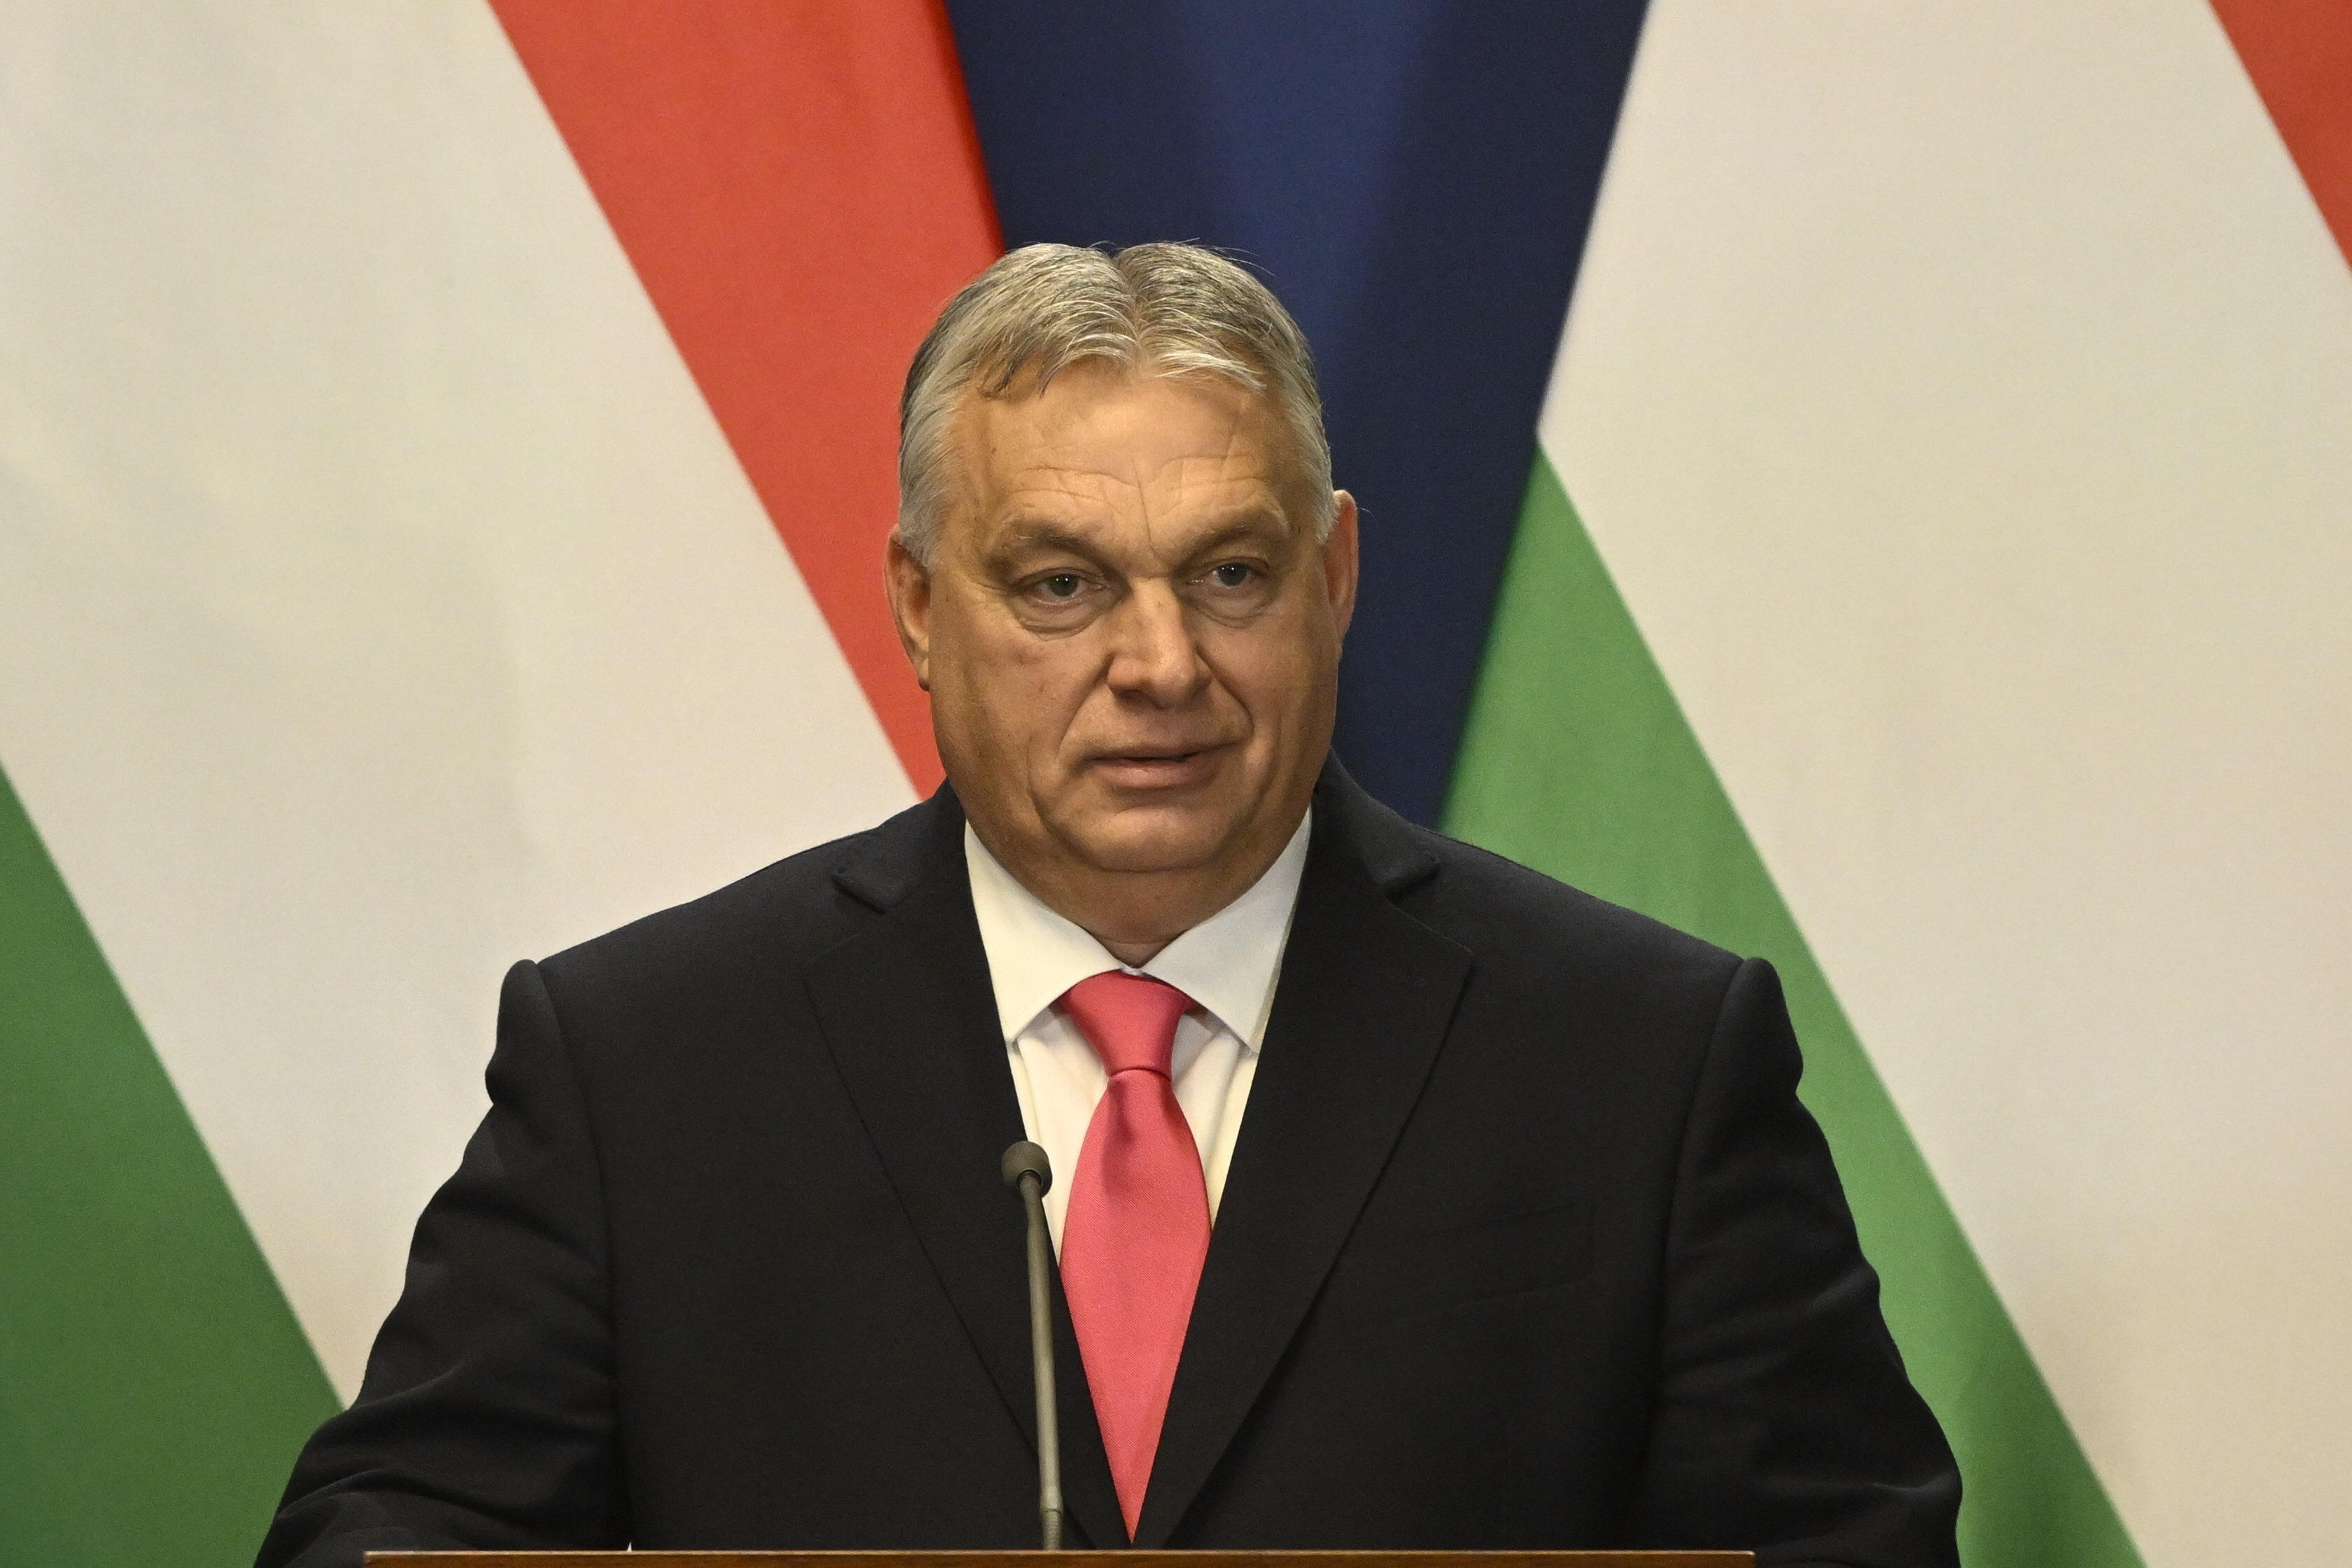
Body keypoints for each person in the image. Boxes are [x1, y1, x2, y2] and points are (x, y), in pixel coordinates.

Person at [257, 243, 1960, 1567]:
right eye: (1062, 584)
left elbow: (1846, 1546)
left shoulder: (1638, 1057)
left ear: (1336, 578)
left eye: (1231, 573)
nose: (1161, 664)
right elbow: (396, 1533)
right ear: (919, 606)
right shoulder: (648, 1066)